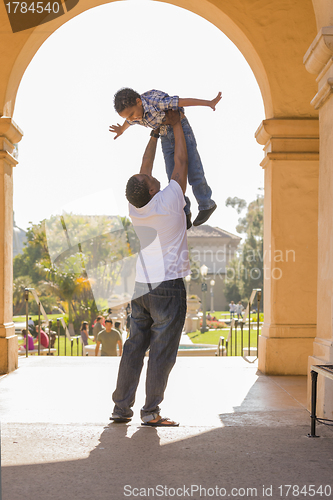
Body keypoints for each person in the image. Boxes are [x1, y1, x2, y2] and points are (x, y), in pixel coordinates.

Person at [111, 109, 189, 427]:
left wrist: (154, 133)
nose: (147, 173)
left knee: (133, 346)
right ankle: (151, 412)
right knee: (161, 351)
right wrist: (177, 124)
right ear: (152, 189)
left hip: (141, 286)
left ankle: (120, 409)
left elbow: (144, 171)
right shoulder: (169, 200)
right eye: (147, 178)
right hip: (167, 286)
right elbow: (181, 165)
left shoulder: (137, 204)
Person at [110, 88, 221, 229]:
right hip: (164, 134)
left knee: (194, 170)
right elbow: (129, 122)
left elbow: (183, 101)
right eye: (127, 118)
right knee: (172, 175)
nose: (132, 119)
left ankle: (206, 204)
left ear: (139, 102)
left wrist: (209, 103)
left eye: (131, 115)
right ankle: (185, 210)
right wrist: (121, 129)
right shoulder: (134, 116)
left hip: (181, 127)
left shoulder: (156, 103)